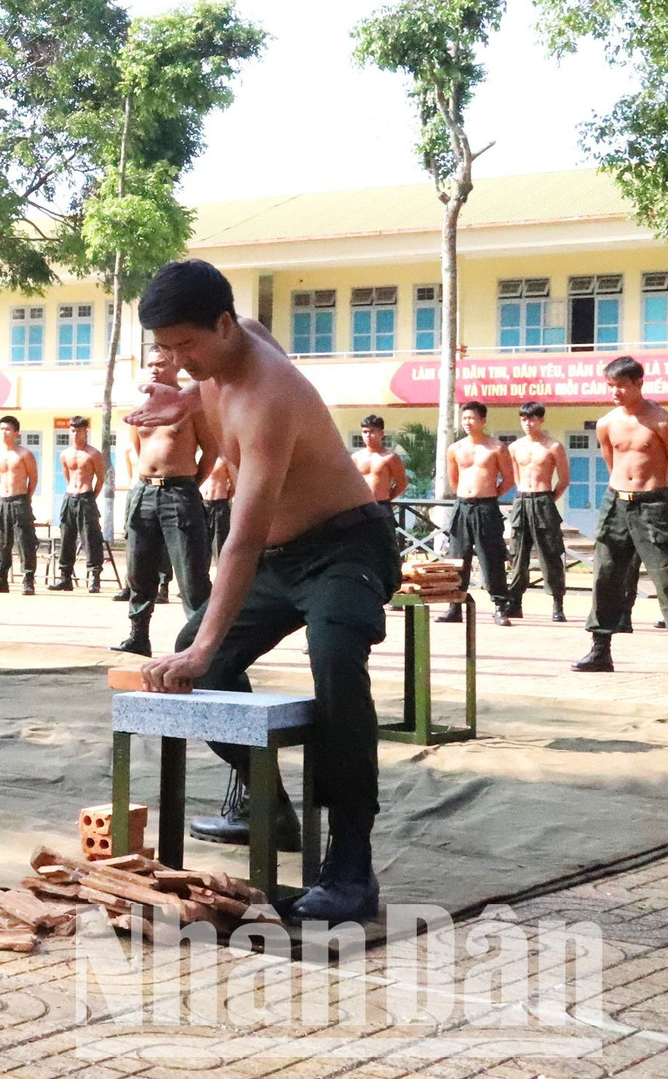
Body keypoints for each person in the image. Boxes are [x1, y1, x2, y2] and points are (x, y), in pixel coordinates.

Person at [132, 259, 397, 923]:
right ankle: (267, 804)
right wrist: (184, 400)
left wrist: (202, 648)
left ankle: (351, 862)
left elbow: (241, 541)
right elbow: (212, 382)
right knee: (203, 661)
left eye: (186, 345)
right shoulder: (238, 336)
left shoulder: (269, 397)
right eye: (164, 347)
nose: (177, 360)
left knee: (333, 659)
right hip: (281, 556)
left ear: (223, 325)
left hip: (345, 548)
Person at [574, 357, 668, 679]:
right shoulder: (607, 423)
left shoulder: (662, 422)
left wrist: (661, 504)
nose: (615, 392)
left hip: (653, 505)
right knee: (605, 576)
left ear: (638, 384)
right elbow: (612, 464)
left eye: (621, 386)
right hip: (616, 505)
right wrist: (624, 494)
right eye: (611, 386)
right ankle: (600, 649)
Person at [116, 351, 212, 656]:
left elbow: (210, 452)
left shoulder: (191, 406)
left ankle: (200, 644)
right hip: (144, 492)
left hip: (179, 493)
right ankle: (138, 636)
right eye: (150, 365)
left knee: (191, 575)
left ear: (176, 365)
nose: (154, 369)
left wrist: (188, 485)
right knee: (138, 569)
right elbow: (137, 448)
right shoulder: (141, 408)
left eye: (161, 364)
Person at [442, 401, 514, 627]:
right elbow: (454, 480)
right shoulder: (455, 449)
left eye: (472, 418)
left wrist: (489, 494)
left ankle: (500, 606)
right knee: (457, 558)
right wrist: (467, 495)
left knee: (492, 557)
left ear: (483, 420)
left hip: (486, 507)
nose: (468, 422)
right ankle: (454, 607)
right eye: (464, 418)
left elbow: (508, 480)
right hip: (463, 506)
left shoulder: (496, 448)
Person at [508, 400, 572, 622]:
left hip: (543, 499)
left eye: (532, 419)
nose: (528, 423)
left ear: (541, 419)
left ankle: (557, 603)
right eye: (524, 419)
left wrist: (548, 500)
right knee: (518, 554)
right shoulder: (514, 447)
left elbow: (564, 480)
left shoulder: (553, 446)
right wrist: (523, 498)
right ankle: (515, 602)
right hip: (522, 500)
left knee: (550, 554)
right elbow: (516, 477)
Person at [50, 415, 106, 592]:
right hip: (69, 498)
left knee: (91, 538)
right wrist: (72, 492)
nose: (75, 434)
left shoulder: (93, 454)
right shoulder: (65, 454)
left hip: (86, 497)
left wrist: (91, 497)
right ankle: (65, 578)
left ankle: (94, 577)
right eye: (72, 430)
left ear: (85, 431)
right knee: (66, 538)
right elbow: (67, 476)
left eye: (78, 431)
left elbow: (101, 478)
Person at [0, 415, 39, 594]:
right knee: (2, 542)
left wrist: (26, 498)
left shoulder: (24, 454)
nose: (4, 432)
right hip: (4, 501)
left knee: (25, 541)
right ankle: (1, 580)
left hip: (20, 500)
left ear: (16, 432)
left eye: (8, 429)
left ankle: (28, 579)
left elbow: (33, 479)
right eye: (2, 429)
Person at [352, 415, 408, 504]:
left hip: (380, 504)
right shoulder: (355, 457)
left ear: (381, 433)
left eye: (372, 431)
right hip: (359, 505)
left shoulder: (390, 458)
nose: (368, 435)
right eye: (365, 432)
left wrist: (386, 500)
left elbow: (402, 483)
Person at [202, 456, 234, 561]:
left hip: (219, 503)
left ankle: (221, 569)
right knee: (201, 544)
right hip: (202, 504)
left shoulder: (224, 458)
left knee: (219, 542)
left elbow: (233, 483)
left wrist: (224, 498)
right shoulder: (198, 456)